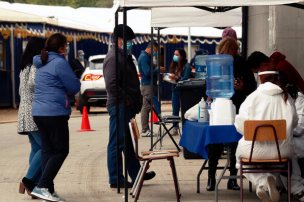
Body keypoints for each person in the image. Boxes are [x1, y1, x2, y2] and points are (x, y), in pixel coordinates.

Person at [235, 64, 298, 202]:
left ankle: (263, 181)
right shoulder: (287, 97)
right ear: (277, 77)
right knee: (277, 157)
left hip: (253, 151)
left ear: (260, 79)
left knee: (240, 160)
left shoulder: (252, 97)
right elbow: (294, 124)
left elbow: (241, 126)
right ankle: (267, 183)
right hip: (281, 150)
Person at [103, 24, 155, 188]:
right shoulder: (113, 58)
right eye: (127, 41)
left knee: (126, 143)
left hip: (125, 105)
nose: (130, 43)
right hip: (119, 105)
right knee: (116, 143)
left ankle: (137, 174)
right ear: (118, 40)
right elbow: (112, 86)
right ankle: (116, 179)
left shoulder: (123, 56)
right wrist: (125, 100)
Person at [30, 33, 81, 202]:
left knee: (47, 151)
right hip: (55, 112)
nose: (66, 48)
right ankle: (42, 186)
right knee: (61, 150)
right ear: (61, 48)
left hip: (39, 112)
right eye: (66, 45)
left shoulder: (41, 62)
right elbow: (73, 87)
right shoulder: (60, 62)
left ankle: (47, 191)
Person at [205, 37, 256, 192]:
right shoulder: (217, 63)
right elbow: (208, 84)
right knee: (217, 143)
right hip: (220, 105)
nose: (236, 53)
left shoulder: (242, 63)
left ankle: (233, 179)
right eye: (234, 51)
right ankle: (211, 178)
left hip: (238, 104)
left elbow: (252, 85)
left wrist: (243, 86)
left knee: (235, 143)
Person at [17, 37, 46, 199]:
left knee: (36, 148)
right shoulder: (35, 65)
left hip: (24, 111)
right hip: (33, 111)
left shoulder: (24, 66)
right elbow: (34, 84)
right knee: (45, 148)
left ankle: (33, 185)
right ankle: (28, 181)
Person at [138, 41, 165, 137]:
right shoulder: (144, 57)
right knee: (146, 107)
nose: (155, 53)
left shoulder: (147, 57)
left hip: (149, 84)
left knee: (147, 107)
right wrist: (158, 70)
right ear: (151, 49)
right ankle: (145, 130)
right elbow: (148, 72)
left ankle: (146, 129)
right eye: (155, 51)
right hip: (147, 85)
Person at [168, 48, 191, 136]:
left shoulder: (186, 65)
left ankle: (186, 128)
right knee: (175, 110)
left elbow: (186, 78)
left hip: (183, 90)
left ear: (181, 56)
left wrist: (177, 78)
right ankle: (175, 128)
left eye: (177, 55)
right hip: (174, 90)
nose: (175, 56)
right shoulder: (174, 65)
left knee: (185, 110)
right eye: (174, 54)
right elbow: (172, 76)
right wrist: (168, 77)